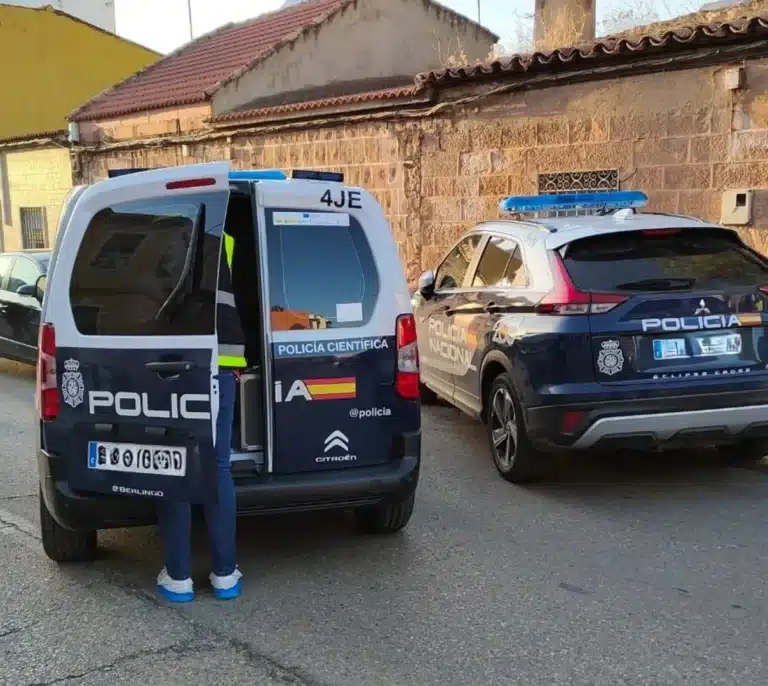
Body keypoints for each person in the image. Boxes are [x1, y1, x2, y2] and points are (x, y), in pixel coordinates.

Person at [155, 225, 247, 603]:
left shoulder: (157, 235)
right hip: (221, 363)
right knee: (218, 465)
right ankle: (225, 574)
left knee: (175, 465)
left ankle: (178, 577)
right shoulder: (222, 239)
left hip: (173, 365)